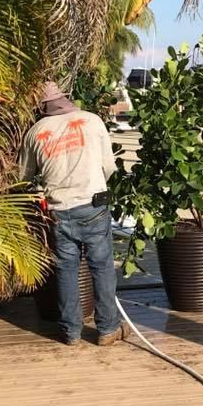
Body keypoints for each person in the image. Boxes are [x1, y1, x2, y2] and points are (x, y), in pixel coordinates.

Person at [19, 81, 129, 347]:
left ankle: (71, 332)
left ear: (41, 107)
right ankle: (108, 329)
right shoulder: (91, 121)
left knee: (66, 271)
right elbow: (108, 168)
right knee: (101, 268)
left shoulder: (35, 133)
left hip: (59, 212)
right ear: (64, 99)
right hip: (93, 206)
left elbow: (23, 177)